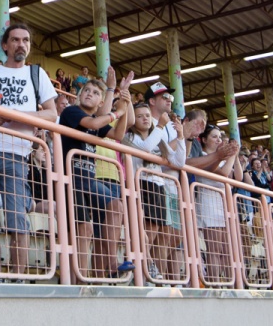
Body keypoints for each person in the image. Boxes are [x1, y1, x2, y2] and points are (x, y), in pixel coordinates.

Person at [0, 22, 58, 282]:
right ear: (5, 45)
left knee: (17, 214)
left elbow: (51, 114)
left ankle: (18, 275)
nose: (21, 44)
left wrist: (19, 115)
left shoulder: (37, 75)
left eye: (26, 40)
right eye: (16, 40)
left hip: (18, 152)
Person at [59, 71, 134, 277]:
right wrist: (117, 112)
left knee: (116, 205)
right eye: (86, 90)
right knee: (83, 230)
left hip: (88, 180)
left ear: (101, 102)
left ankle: (110, 265)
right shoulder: (71, 112)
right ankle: (80, 280)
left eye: (94, 92)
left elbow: (118, 135)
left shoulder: (97, 119)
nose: (89, 94)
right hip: (71, 179)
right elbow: (92, 124)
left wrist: (124, 104)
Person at [121, 101, 185, 282]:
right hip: (140, 184)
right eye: (140, 116)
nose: (144, 119)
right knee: (145, 233)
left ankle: (151, 273)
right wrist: (161, 126)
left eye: (147, 116)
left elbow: (178, 162)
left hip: (158, 186)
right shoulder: (129, 137)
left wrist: (180, 136)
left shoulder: (157, 136)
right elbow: (146, 148)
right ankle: (145, 272)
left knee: (155, 234)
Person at [195, 124, 241, 283]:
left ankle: (229, 284)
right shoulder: (202, 156)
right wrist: (231, 157)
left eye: (219, 137)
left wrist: (234, 156)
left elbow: (238, 178)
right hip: (208, 203)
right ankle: (214, 283)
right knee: (214, 249)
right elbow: (223, 173)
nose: (218, 140)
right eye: (214, 137)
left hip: (222, 205)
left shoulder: (221, 158)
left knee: (227, 249)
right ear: (204, 139)